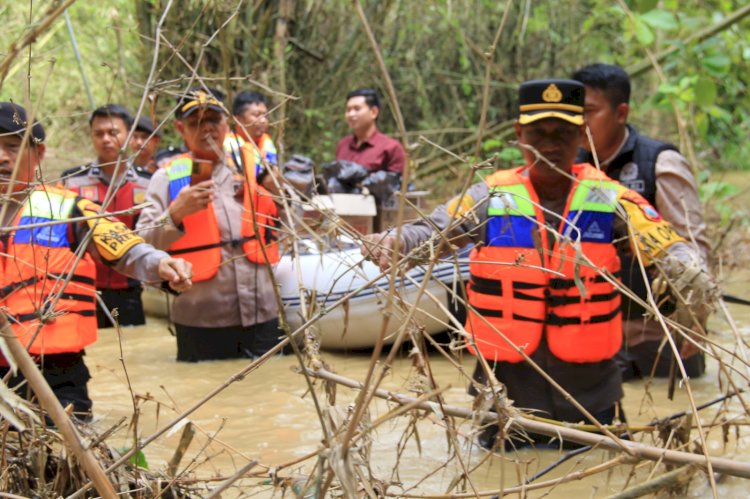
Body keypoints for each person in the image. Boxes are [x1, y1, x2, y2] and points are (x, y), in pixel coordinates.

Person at [361, 80, 717, 449]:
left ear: (581, 135)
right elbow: (432, 230)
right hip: (507, 396)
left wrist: (693, 298)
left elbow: (670, 250)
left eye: (563, 133)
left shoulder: (611, 199)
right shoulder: (491, 197)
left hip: (591, 398)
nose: (550, 143)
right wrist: (395, 241)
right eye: (538, 132)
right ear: (519, 135)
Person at [0, 102, 192, 421]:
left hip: (54, 373)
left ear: (39, 154)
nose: (2, 158)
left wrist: (161, 264)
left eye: (12, 147)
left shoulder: (67, 208)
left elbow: (125, 247)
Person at [572, 63, 710, 380]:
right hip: (597, 333)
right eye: (574, 114)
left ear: (621, 113)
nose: (580, 123)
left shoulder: (660, 164)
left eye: (590, 112)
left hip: (658, 336)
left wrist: (695, 318)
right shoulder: (569, 166)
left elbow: (692, 249)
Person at [136, 88, 286, 362]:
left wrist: (281, 194)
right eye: (196, 123)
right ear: (180, 129)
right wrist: (175, 213)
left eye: (214, 120)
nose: (207, 129)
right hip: (200, 319)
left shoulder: (257, 166)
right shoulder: (166, 177)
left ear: (226, 124)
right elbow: (141, 245)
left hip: (262, 313)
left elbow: (291, 221)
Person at [61, 104, 153, 328]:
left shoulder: (148, 182)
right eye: (98, 133)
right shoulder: (72, 181)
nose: (106, 139)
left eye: (113, 133)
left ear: (129, 135)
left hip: (130, 288)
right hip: (84, 288)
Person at [336, 88, 405, 175]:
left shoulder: (391, 148)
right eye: (348, 110)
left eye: (357, 109)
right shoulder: (343, 145)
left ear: (374, 112)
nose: (351, 114)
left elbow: (398, 184)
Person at [224, 90, 278, 185]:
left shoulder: (266, 142)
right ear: (238, 119)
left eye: (265, 116)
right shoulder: (226, 145)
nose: (263, 120)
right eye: (256, 115)